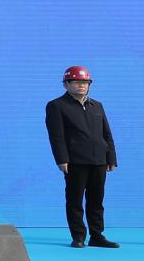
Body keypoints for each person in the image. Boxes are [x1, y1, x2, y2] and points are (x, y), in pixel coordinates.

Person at [45, 65, 118, 249]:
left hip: (99, 160)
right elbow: (56, 136)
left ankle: (97, 235)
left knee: (96, 200)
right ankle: (78, 236)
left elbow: (107, 133)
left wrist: (111, 157)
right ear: (66, 84)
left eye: (85, 82)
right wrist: (61, 159)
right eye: (76, 82)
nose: (82, 85)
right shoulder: (57, 106)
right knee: (75, 200)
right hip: (75, 161)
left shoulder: (97, 105)